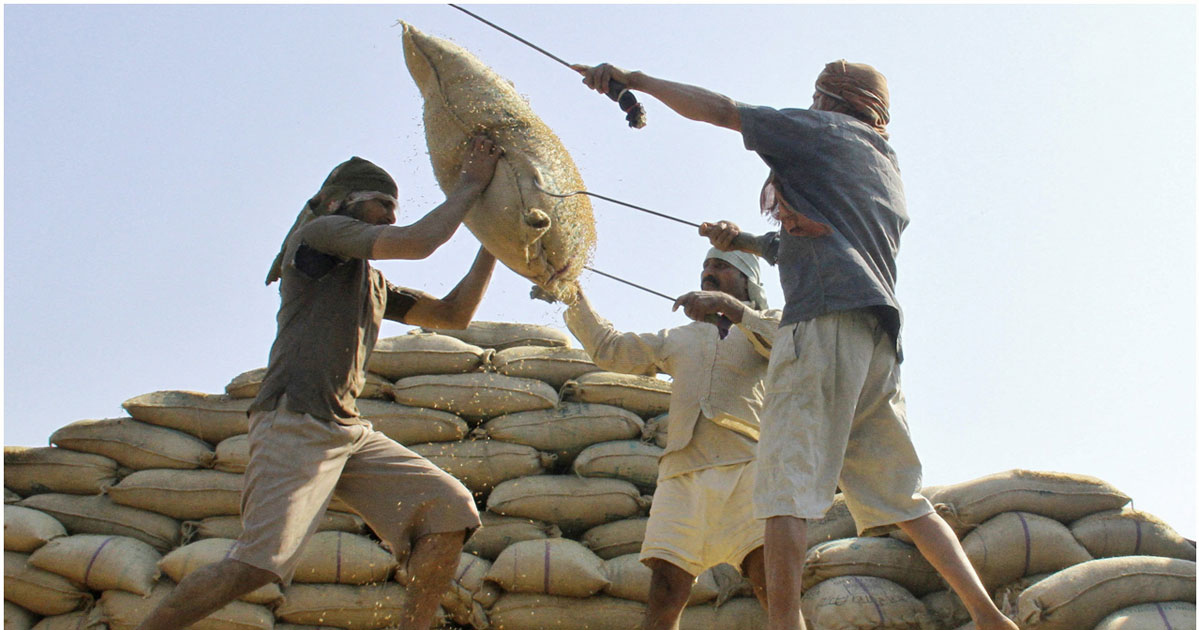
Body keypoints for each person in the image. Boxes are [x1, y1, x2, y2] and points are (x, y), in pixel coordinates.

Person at [573, 62, 1019, 630]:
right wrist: (747, 241)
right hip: (876, 339)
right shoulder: (883, 163)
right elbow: (817, 241)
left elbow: (721, 110)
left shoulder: (822, 132)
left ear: (833, 99)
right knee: (904, 498)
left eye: (817, 95)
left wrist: (637, 81)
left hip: (822, 327)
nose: (810, 104)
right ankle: (988, 616)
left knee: (784, 488)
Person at [135, 134, 504, 630]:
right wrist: (471, 186)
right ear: (338, 202)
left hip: (346, 431)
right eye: (382, 205)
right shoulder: (320, 234)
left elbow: (452, 315)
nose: (391, 217)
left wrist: (494, 244)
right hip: (294, 422)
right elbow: (418, 243)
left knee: (449, 511)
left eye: (395, 208)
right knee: (253, 566)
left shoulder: (368, 280)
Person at [557, 249, 780, 630]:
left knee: (772, 585)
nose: (709, 273)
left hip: (747, 468)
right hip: (682, 472)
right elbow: (611, 349)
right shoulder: (679, 338)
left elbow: (793, 346)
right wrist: (570, 292)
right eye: (706, 266)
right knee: (665, 589)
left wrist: (731, 308)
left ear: (747, 281)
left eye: (722, 267)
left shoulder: (768, 324)